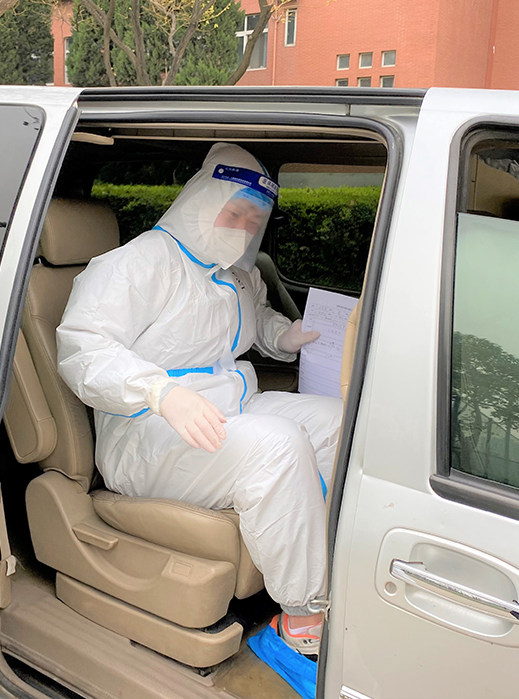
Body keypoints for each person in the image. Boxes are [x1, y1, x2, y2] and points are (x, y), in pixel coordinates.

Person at [57, 143, 343, 659]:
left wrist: (284, 337)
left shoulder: (234, 272)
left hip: (227, 406)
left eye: (253, 220)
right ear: (201, 201)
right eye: (234, 213)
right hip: (144, 430)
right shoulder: (137, 263)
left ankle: (329, 558)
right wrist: (159, 392)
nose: (243, 228)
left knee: (339, 421)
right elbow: (84, 349)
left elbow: (256, 320)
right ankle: (303, 617)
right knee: (277, 447)